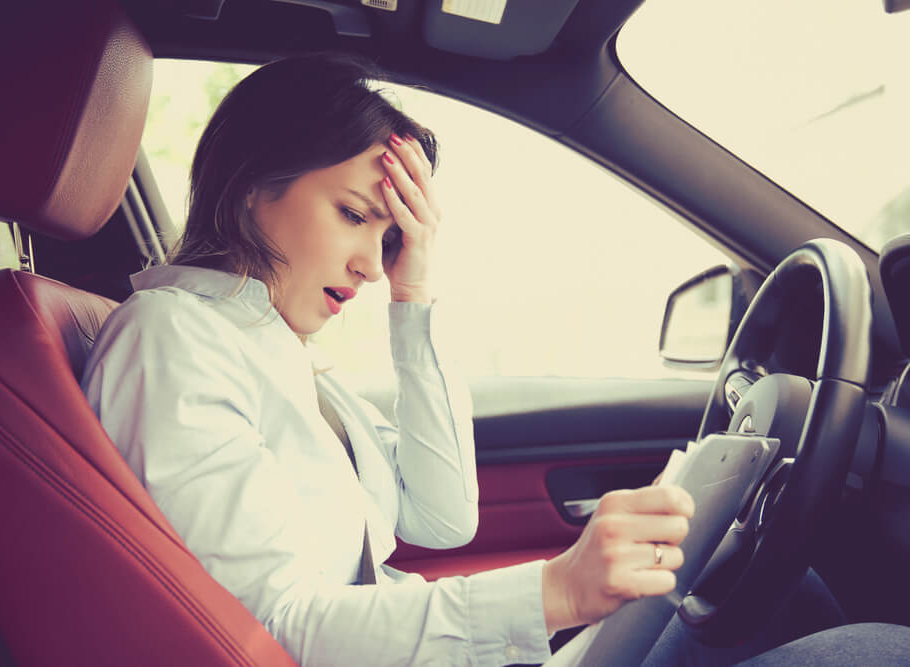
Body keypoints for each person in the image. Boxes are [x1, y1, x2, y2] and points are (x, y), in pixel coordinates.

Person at [81, 53, 904, 666]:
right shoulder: (173, 343)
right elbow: (279, 628)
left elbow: (440, 519)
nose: (375, 261)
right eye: (355, 214)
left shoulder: (268, 347)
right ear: (253, 184)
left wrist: (418, 291)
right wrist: (555, 591)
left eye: (392, 234)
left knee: (781, 592)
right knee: (874, 649)